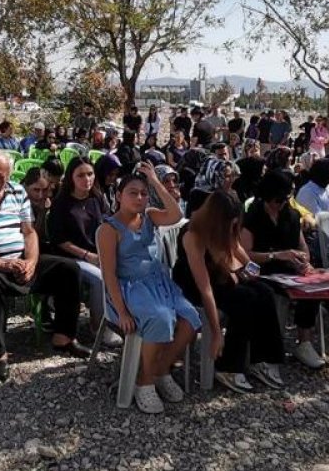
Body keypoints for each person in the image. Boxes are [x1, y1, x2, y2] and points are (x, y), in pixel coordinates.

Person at [0, 150, 89, 382]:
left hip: (18, 259)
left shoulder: (17, 191)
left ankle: (64, 337)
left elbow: (29, 232)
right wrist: (1, 263)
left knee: (68, 269)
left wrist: (31, 262)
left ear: (9, 176)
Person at [97, 164, 197, 413]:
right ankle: (144, 381)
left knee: (190, 318)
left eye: (143, 193)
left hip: (160, 283)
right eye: (133, 193)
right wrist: (122, 312)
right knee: (160, 318)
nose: (139, 198)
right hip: (130, 290)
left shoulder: (150, 217)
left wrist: (154, 181)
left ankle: (160, 370)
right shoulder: (109, 229)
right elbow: (109, 275)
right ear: (119, 196)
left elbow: (175, 214)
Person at [242, 171, 329, 372]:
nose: (281, 204)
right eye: (278, 200)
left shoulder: (291, 215)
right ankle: (304, 342)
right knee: (307, 290)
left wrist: (303, 261)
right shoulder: (253, 217)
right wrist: (277, 255)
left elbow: (302, 246)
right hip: (264, 271)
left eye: (284, 199)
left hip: (290, 269)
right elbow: (245, 254)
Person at [176, 190, 285, 392]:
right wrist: (217, 333)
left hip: (222, 276)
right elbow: (205, 289)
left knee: (264, 291)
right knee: (244, 299)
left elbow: (241, 255)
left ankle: (264, 358)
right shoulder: (193, 235)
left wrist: (251, 270)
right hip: (195, 284)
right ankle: (228, 365)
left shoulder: (226, 229)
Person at [50, 157, 122, 347]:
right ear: (71, 178)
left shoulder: (96, 198)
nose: (87, 179)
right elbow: (59, 240)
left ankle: (119, 318)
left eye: (90, 174)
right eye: (80, 175)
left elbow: (109, 223)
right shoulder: (62, 203)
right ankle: (98, 327)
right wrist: (86, 255)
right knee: (100, 279)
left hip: (98, 253)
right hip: (72, 258)